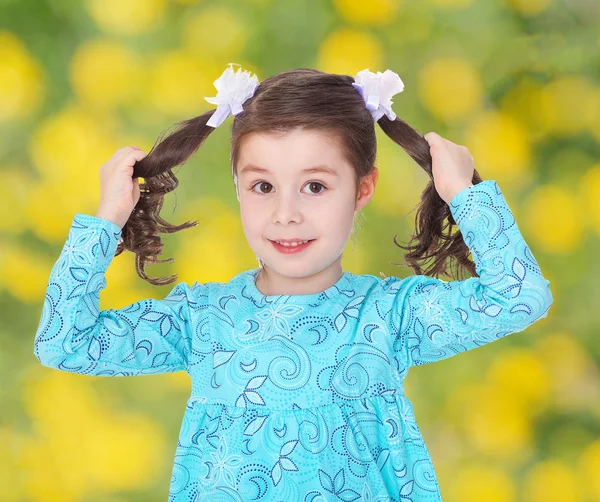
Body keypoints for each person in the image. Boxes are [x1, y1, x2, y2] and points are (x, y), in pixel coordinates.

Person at [32, 63, 554, 501]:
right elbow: (65, 343)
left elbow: (519, 297)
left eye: (315, 186)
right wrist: (105, 221)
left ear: (363, 188)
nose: (286, 214)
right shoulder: (202, 320)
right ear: (238, 188)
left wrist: (464, 193)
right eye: (263, 186)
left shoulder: (390, 316)